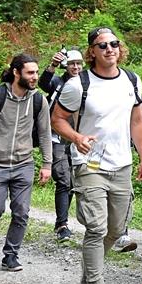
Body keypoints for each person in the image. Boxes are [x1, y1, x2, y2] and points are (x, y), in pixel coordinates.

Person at [50, 27, 142, 284]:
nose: (109, 49)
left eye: (114, 44)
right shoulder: (77, 84)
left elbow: (137, 122)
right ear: (91, 51)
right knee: (96, 227)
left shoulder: (132, 80)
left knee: (116, 228)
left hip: (121, 163)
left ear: (120, 48)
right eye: (102, 45)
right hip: (89, 164)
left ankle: (89, 269)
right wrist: (77, 137)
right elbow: (56, 119)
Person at [0, 54, 53, 272]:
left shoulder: (38, 100)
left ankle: (11, 255)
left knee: (21, 211)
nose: (35, 77)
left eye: (36, 72)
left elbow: (44, 133)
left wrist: (47, 164)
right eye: (30, 73)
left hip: (24, 163)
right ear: (16, 73)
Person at [38, 48, 85, 241]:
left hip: (78, 139)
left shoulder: (87, 83)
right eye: (72, 63)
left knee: (74, 183)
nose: (75, 67)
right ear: (66, 65)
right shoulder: (58, 82)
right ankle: (62, 225)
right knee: (64, 180)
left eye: (78, 63)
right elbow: (43, 84)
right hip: (56, 138)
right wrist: (52, 66)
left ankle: (62, 222)